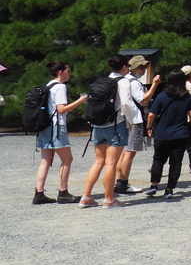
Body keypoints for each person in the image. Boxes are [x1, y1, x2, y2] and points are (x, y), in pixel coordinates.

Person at [80, 55, 134, 208]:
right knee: (111, 163)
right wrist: (131, 121)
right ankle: (109, 199)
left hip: (98, 126)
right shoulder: (123, 82)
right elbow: (126, 104)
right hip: (115, 125)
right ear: (124, 67)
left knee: (98, 162)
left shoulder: (103, 81)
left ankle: (86, 196)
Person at [32, 61, 87, 204]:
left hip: (45, 126)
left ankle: (39, 193)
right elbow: (62, 109)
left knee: (45, 160)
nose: (70, 73)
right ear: (60, 72)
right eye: (68, 70)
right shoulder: (60, 87)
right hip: (57, 126)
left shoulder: (48, 85)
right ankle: (63, 192)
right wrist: (80, 101)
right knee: (67, 159)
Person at [143, 70, 191, 199]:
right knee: (176, 162)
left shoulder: (162, 96)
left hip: (162, 133)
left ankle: (153, 185)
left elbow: (152, 114)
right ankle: (169, 189)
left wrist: (149, 127)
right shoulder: (187, 97)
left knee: (158, 159)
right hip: (181, 133)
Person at [115, 55, 160, 195]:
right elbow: (143, 100)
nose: (144, 69)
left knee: (123, 152)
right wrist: (154, 85)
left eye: (145, 66)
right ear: (133, 68)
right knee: (129, 152)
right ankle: (123, 183)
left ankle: (119, 181)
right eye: (141, 67)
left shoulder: (123, 80)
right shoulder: (134, 82)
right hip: (134, 118)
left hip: (123, 119)